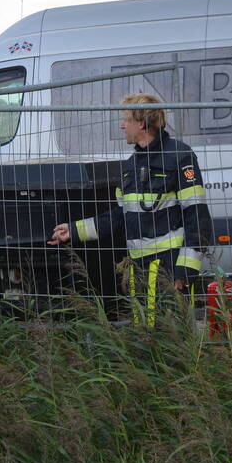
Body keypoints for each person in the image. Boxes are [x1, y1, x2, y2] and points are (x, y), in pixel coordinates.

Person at [49, 93, 212, 326]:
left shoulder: (180, 156)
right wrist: (74, 231)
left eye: (126, 119)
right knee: (145, 333)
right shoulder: (131, 165)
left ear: (142, 123)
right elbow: (120, 216)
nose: (122, 125)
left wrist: (184, 270)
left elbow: (197, 216)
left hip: (169, 268)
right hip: (138, 270)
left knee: (173, 337)